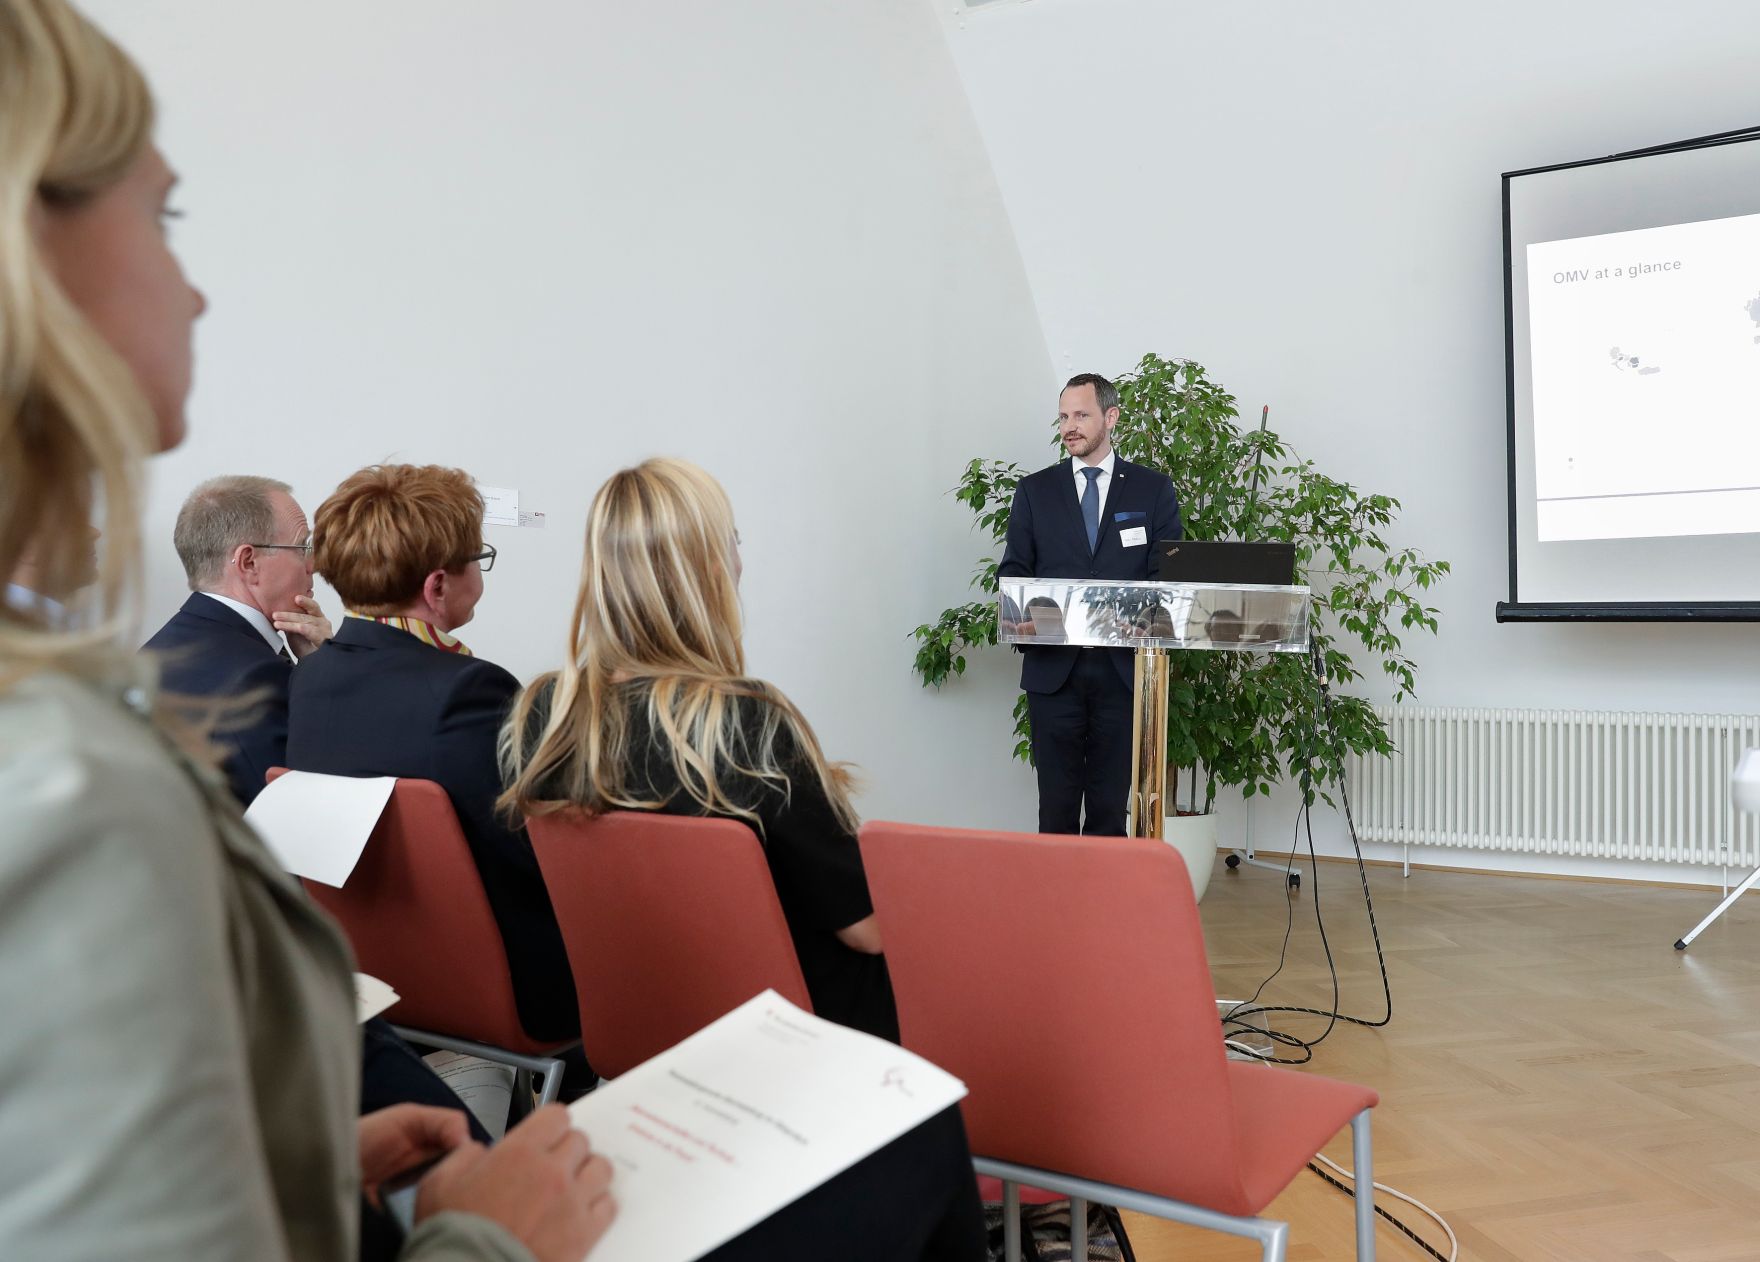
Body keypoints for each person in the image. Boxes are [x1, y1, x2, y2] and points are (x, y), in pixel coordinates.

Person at [0, 3, 612, 1258]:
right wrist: (486, 1242)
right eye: (162, 219)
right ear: (33, 255)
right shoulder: (67, 785)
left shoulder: (258, 685)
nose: (199, 284)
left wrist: (300, 1180)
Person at [500, 457, 986, 1260]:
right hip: (799, 1047)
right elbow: (865, 928)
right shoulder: (744, 725)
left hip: (648, 1039)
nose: (741, 558)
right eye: (730, 541)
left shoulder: (548, 718)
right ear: (701, 573)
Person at [286, 463, 579, 1046]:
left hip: (373, 974)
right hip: (502, 990)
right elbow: (534, 854)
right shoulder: (470, 689)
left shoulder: (310, 678)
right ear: (438, 586)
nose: (481, 572)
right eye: (479, 558)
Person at [999, 372, 1180, 836]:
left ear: (1111, 417)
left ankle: (1104, 909)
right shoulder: (1035, 492)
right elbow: (1014, 573)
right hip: (1053, 674)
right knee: (1055, 810)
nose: (1069, 427)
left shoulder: (1151, 490)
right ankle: (1055, 909)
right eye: (1063, 417)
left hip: (1124, 676)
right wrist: (1034, 621)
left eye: (1081, 415)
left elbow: (1168, 579)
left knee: (1108, 811)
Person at [141, 475, 332, 806]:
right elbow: (299, 815)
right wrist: (327, 674)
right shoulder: (255, 678)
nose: (313, 564)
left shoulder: (152, 654)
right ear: (249, 562)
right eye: (303, 547)